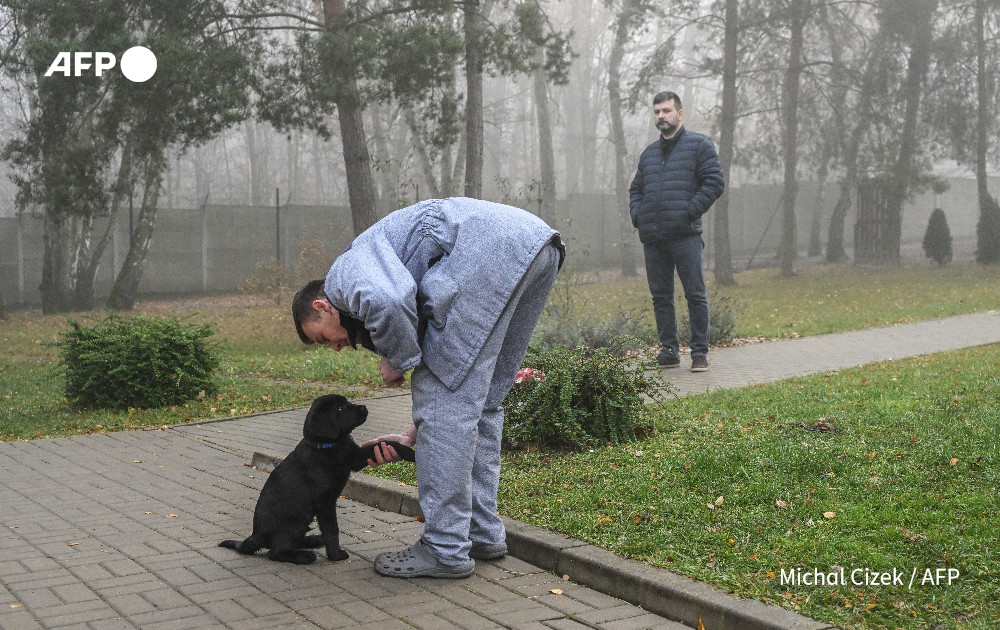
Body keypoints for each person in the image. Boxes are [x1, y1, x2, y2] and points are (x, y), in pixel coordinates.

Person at [292, 197, 564, 579]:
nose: (336, 347)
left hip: (487, 252)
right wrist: (414, 431)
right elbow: (458, 395)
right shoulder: (372, 272)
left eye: (324, 338)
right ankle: (481, 532)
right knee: (482, 404)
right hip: (535, 247)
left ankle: (445, 548)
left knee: (443, 402)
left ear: (322, 306)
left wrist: (397, 359)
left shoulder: (343, 276)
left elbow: (389, 299)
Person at [629, 91, 724, 372]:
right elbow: (636, 190)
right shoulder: (648, 154)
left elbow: (714, 182)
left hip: (686, 236)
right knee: (661, 298)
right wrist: (639, 216)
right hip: (654, 238)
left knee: (695, 294)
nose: (661, 116)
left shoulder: (699, 146)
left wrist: (689, 211)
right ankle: (669, 352)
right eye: (657, 111)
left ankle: (699, 354)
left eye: (667, 111)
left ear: (680, 114)